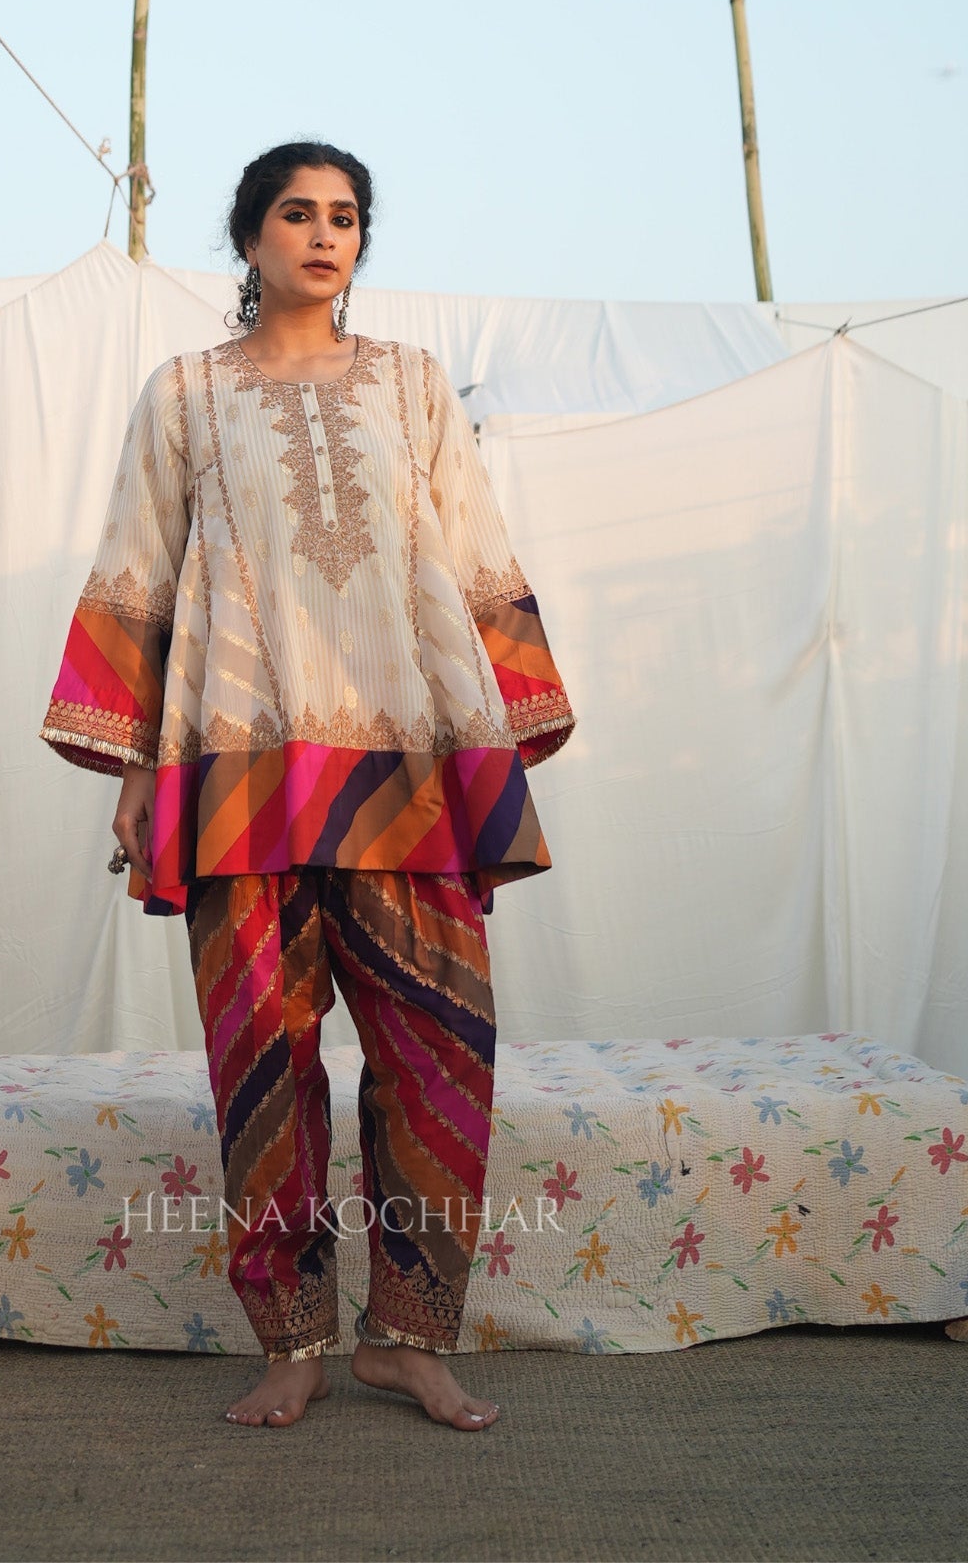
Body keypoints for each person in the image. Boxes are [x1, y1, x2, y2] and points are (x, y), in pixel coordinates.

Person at [40, 141, 574, 1429]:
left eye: (345, 216)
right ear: (250, 239)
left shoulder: (412, 385)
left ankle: (408, 1336)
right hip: (241, 766)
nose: (325, 234)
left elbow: (475, 547)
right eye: (298, 213)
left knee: (440, 1058)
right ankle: (292, 1341)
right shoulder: (186, 394)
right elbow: (137, 569)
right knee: (264, 1071)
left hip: (409, 762)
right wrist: (134, 771)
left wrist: (506, 729)